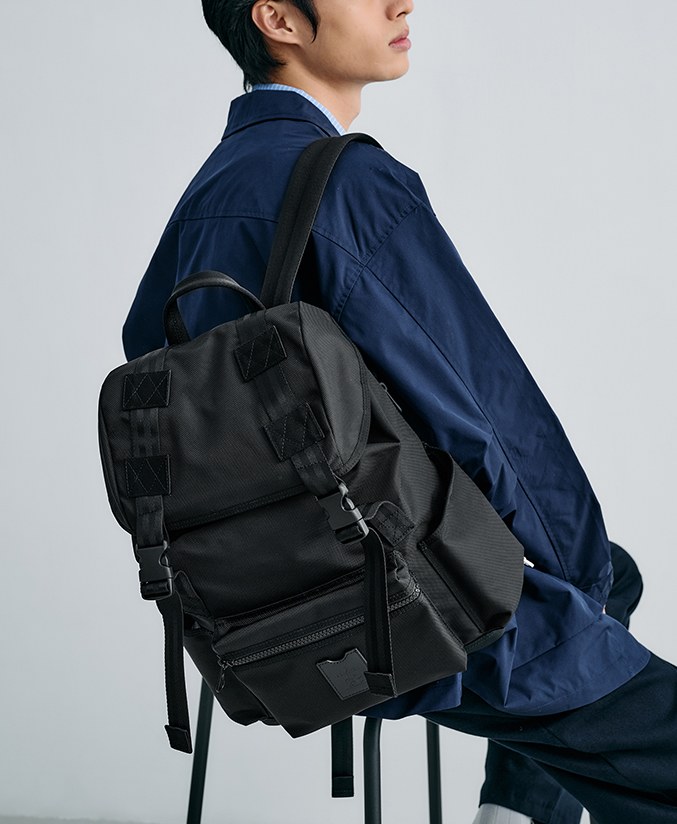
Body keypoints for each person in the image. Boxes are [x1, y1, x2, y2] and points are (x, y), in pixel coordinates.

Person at [121, 2, 677, 822]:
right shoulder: (346, 182)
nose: (400, 3)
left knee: (612, 575)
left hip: (263, 620)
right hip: (402, 607)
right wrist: (574, 570)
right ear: (278, 18)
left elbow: (154, 360)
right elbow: (484, 407)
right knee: (599, 602)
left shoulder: (212, 186)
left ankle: (515, 814)